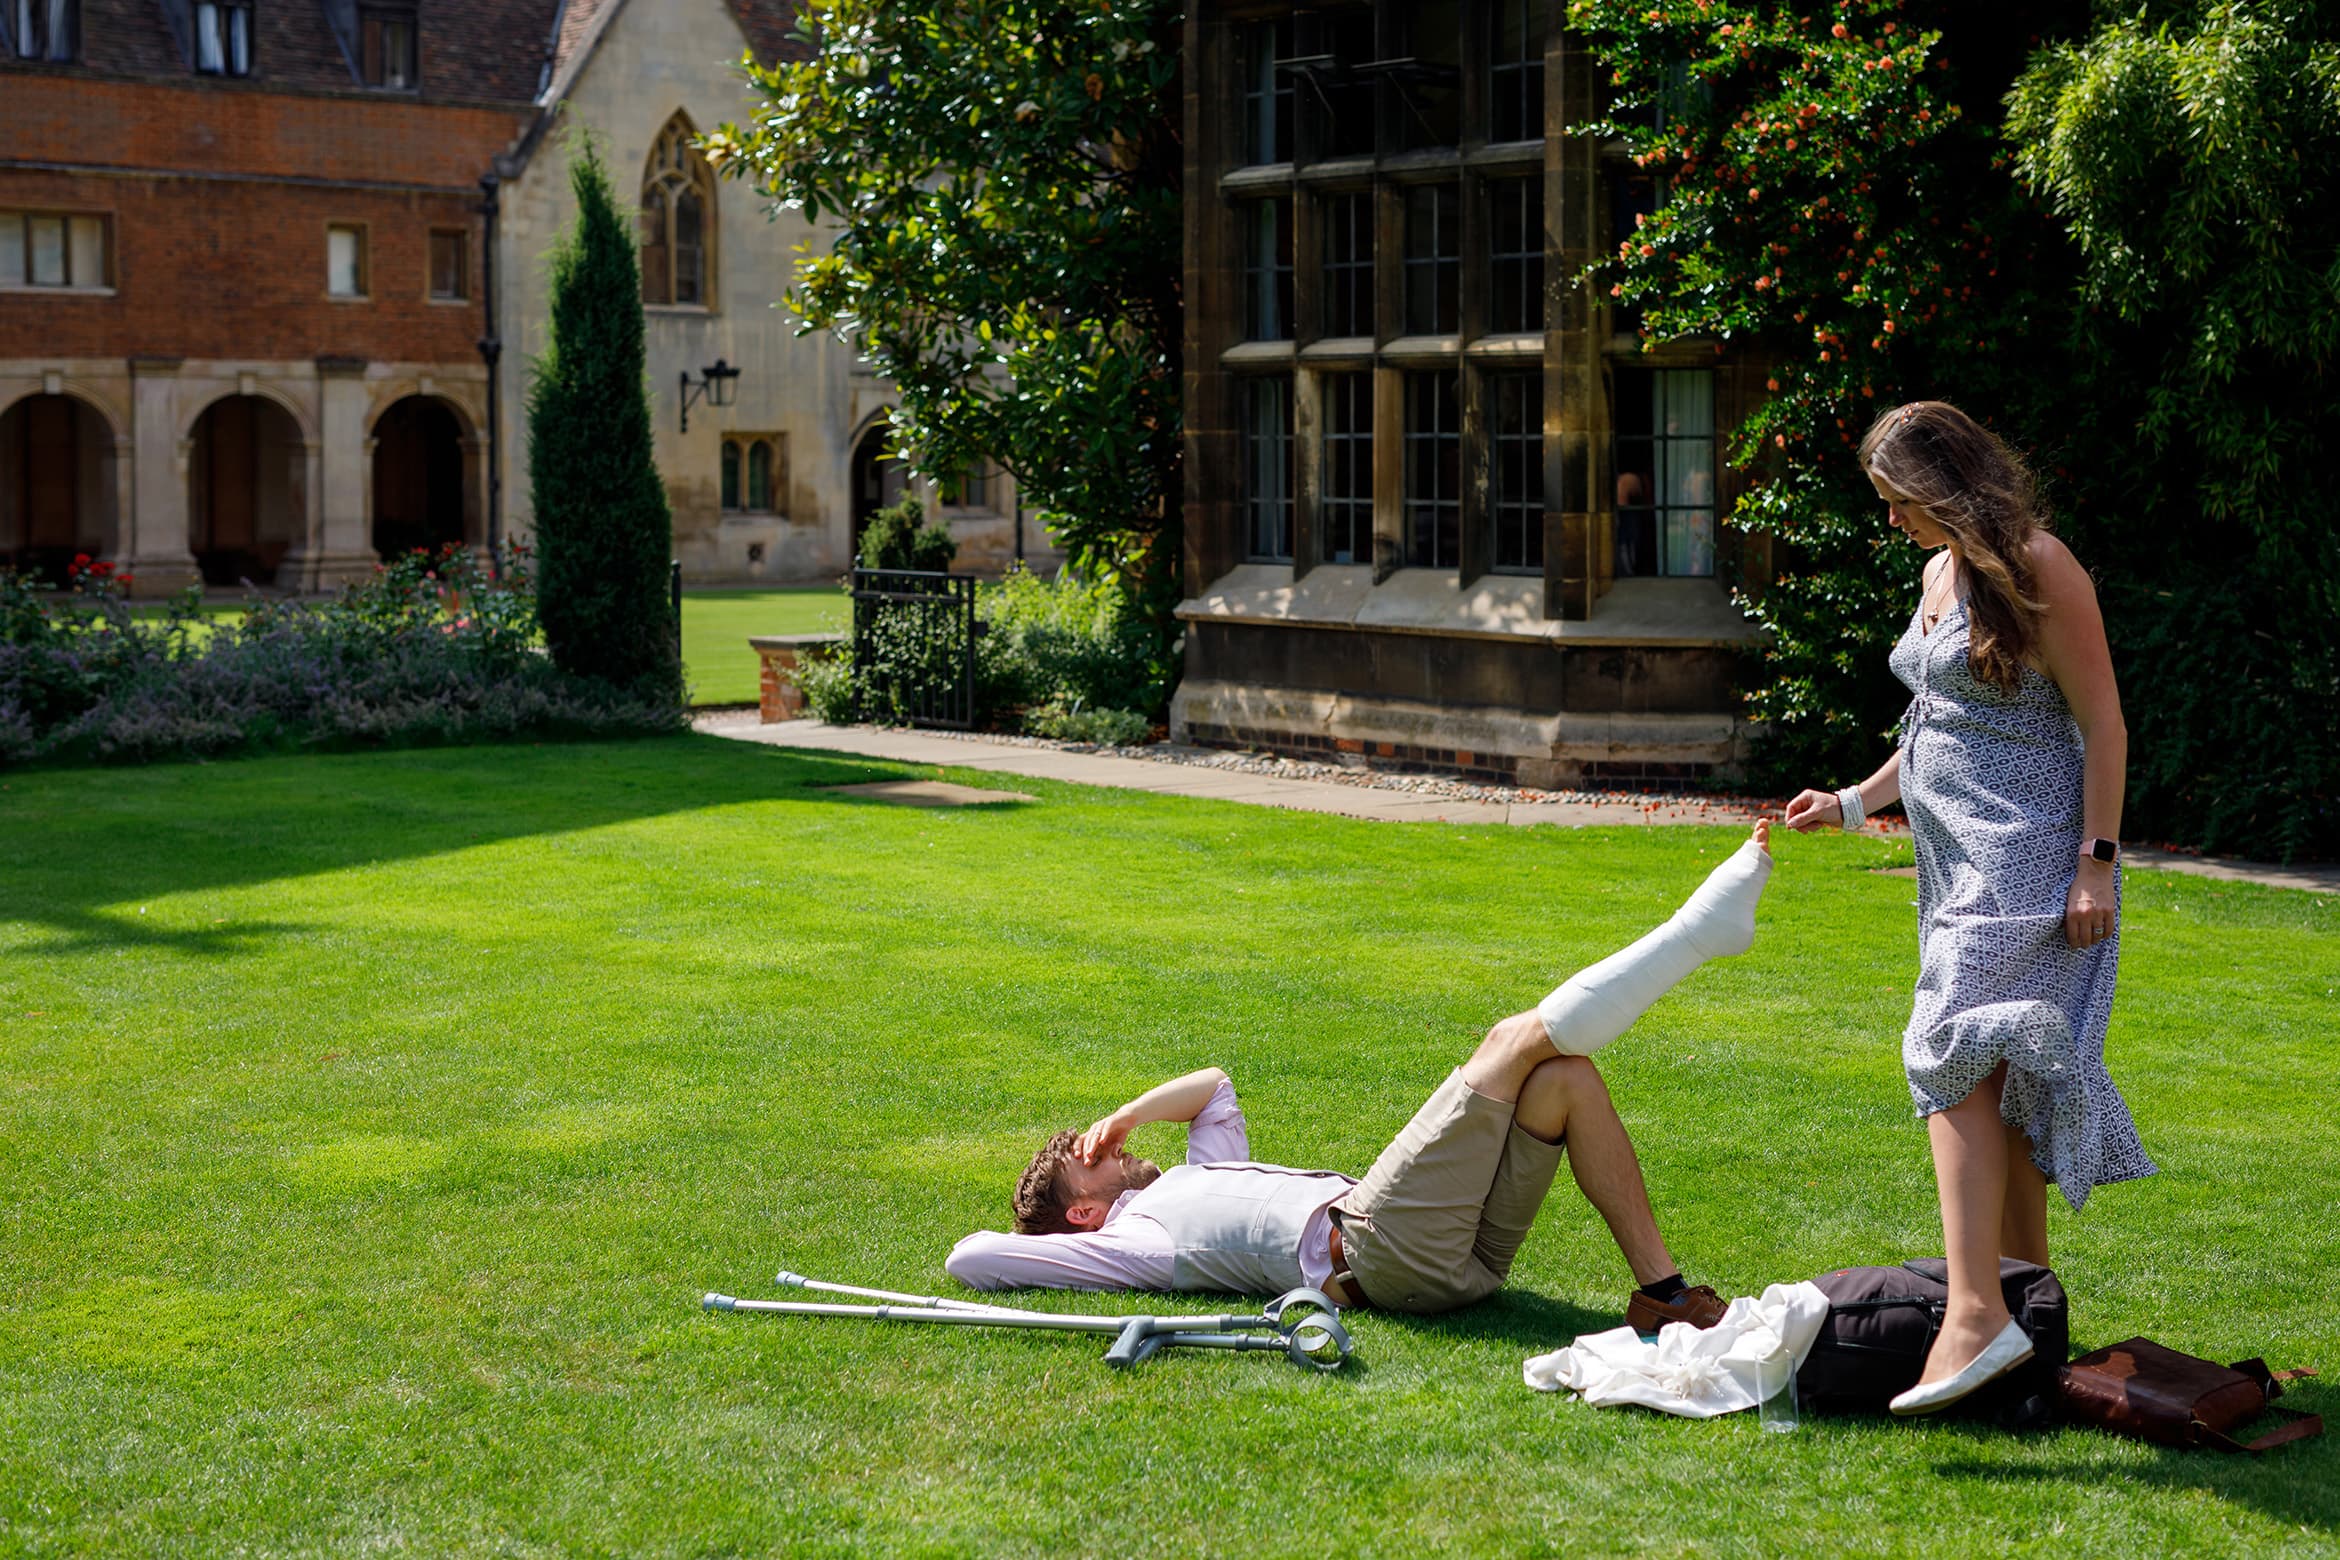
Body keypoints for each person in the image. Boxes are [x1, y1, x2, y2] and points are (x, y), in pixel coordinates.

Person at [948, 824, 1777, 1329]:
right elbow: (970, 1260)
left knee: (1565, 1079)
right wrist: (1063, 1238)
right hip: (1379, 1251)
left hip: (1456, 1259)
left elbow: (1216, 1085)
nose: (1104, 1142)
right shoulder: (1133, 1246)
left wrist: (1130, 1113)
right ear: (1086, 1211)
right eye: (1087, 1155)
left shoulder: (1197, 1176)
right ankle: (1695, 934)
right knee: (1509, 1041)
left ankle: (1663, 1295)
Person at [1784, 401, 2155, 1416]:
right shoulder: (1937, 572)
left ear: (1945, 482)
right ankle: (2032, 1334)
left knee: (1947, 1045)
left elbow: (2106, 723)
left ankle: (1976, 1316)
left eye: (1900, 500)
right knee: (1999, 1081)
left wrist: (2098, 864)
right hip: (1957, 865)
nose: (1892, 520)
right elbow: (1936, 723)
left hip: (2033, 856)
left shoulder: (2040, 564)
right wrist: (1857, 801)